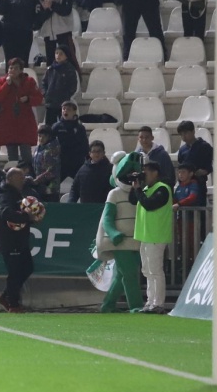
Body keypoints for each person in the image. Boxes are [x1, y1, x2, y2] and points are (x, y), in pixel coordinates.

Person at [94, 151, 145, 312]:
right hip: (120, 242)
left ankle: (108, 305)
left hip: (136, 240)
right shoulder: (114, 193)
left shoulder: (139, 192)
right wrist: (114, 233)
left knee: (121, 275)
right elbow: (107, 218)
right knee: (130, 274)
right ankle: (136, 306)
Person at [0, 167, 39, 313]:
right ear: (11, 179)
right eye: (20, 178)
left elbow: (19, 215)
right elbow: (6, 213)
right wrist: (27, 217)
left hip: (20, 240)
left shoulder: (17, 196)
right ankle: (13, 303)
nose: (23, 180)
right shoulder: (4, 196)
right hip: (10, 241)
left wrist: (32, 217)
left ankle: (5, 296)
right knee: (15, 272)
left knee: (27, 268)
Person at [133, 161, 173, 313]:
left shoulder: (162, 189)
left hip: (157, 235)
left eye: (146, 172)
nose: (144, 175)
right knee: (147, 271)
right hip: (146, 235)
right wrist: (135, 186)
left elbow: (149, 205)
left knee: (156, 271)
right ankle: (150, 302)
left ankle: (158, 303)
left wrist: (138, 191)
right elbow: (133, 199)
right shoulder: (145, 189)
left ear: (155, 172)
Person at [0, 58, 44, 162]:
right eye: (10, 68)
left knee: (26, 156)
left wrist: (28, 99)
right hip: (8, 123)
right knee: (12, 158)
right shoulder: (1, 81)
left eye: (16, 68)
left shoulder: (29, 82)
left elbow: (39, 99)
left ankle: (28, 176)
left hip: (25, 123)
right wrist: (7, 85)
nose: (12, 70)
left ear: (21, 70)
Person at [0, 0, 43, 68]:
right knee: (9, 61)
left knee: (23, 61)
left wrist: (34, 26)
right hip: (8, 34)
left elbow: (38, 16)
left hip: (25, 33)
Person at [37, 0, 76, 69]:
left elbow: (66, 11)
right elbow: (39, 16)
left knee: (70, 60)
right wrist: (49, 9)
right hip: (48, 33)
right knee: (50, 63)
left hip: (63, 31)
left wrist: (53, 5)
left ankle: (74, 80)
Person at [41, 47, 78, 126]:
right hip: (50, 102)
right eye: (57, 53)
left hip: (63, 103)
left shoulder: (70, 69)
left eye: (61, 53)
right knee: (49, 126)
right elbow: (44, 83)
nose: (58, 55)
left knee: (63, 125)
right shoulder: (50, 69)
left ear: (66, 56)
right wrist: (45, 94)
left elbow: (73, 86)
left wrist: (66, 96)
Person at [52, 101, 89, 180]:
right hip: (61, 161)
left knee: (80, 181)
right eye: (63, 109)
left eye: (68, 109)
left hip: (76, 161)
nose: (65, 111)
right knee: (54, 183)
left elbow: (84, 144)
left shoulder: (80, 128)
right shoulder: (56, 127)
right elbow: (50, 143)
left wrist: (86, 157)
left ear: (74, 112)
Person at [30, 125, 62, 201]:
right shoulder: (38, 148)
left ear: (49, 137)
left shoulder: (53, 150)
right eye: (40, 136)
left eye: (44, 136)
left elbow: (52, 171)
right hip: (40, 186)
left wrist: (37, 180)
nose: (41, 139)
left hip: (50, 187)